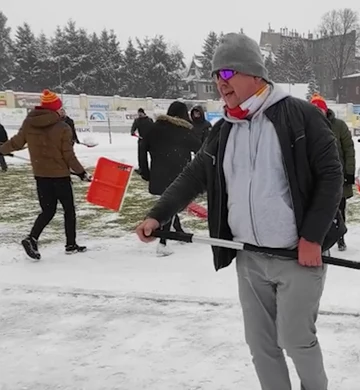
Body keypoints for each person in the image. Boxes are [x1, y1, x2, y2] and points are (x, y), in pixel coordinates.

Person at [134, 32, 343, 390]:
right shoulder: (224, 130)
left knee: (295, 340)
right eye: (216, 75)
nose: (219, 83)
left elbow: (331, 174)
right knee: (261, 346)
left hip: (297, 255)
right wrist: (158, 213)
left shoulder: (299, 116)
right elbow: (193, 176)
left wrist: (313, 237)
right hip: (248, 257)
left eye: (227, 74)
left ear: (254, 74)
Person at [0, 90, 91, 260]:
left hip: (41, 176)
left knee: (48, 211)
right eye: (60, 108)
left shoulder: (29, 123)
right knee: (69, 210)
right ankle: (70, 244)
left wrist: (2, 149)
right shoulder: (63, 127)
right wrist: (81, 172)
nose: (61, 111)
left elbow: (16, 142)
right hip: (60, 177)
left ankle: (32, 238)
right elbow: (68, 156)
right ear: (55, 109)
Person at [138, 101, 202, 256]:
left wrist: (145, 172)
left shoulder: (153, 129)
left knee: (169, 204)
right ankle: (162, 243)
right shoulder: (184, 131)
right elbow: (200, 149)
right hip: (179, 175)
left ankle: (178, 231)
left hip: (159, 174)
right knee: (171, 204)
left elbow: (142, 149)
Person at [310, 93, 355, 251]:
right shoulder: (306, 125)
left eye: (319, 110)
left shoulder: (339, 126)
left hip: (338, 176)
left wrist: (349, 173)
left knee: (339, 208)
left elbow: (349, 149)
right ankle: (319, 239)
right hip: (315, 178)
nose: (316, 113)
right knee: (318, 209)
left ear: (325, 110)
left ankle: (340, 237)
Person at [130, 108, 154, 173]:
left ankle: (153, 168)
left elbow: (154, 129)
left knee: (153, 155)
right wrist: (132, 132)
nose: (139, 115)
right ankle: (143, 169)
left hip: (150, 140)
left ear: (144, 113)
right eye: (138, 114)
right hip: (141, 140)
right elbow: (133, 129)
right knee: (141, 156)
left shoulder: (149, 120)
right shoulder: (137, 121)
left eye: (140, 114)